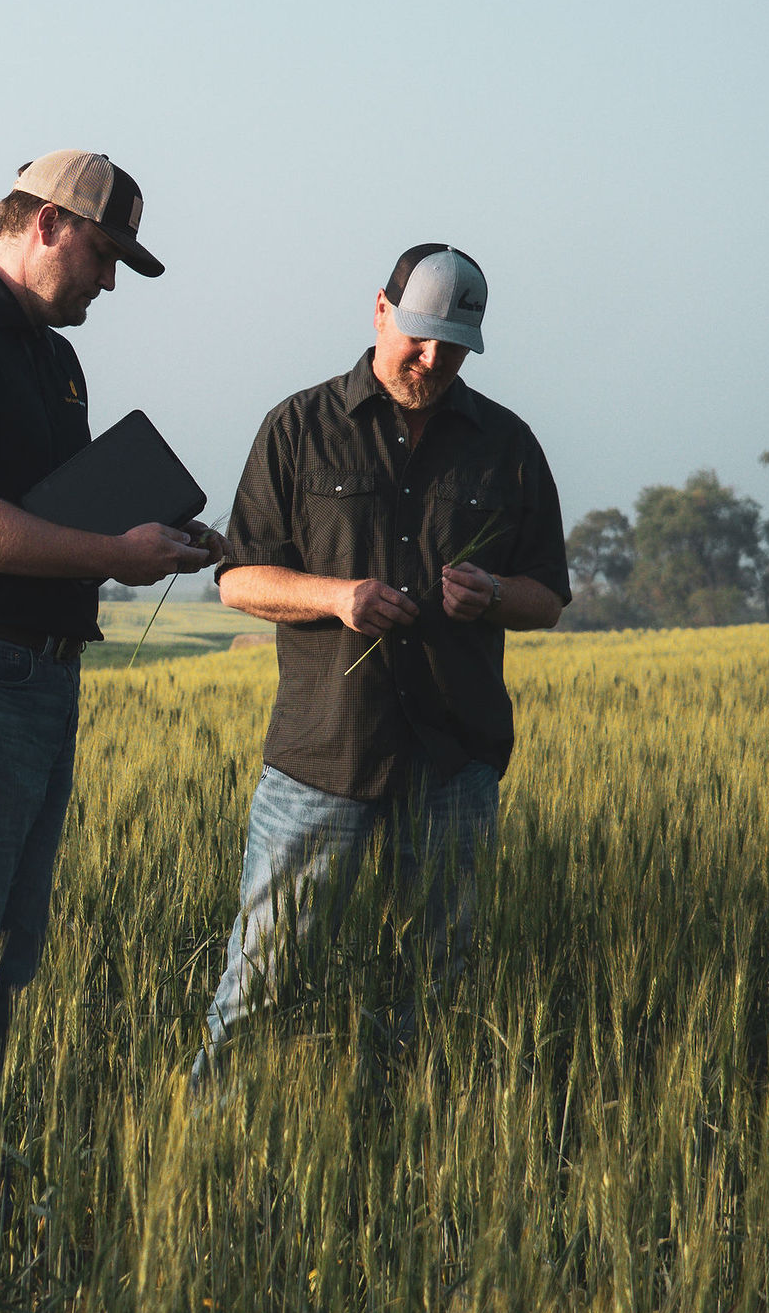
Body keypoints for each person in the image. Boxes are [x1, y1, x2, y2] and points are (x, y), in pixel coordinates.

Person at [0, 150, 215, 1107]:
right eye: (103, 255)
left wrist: (157, 538)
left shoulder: (56, 361)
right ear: (48, 224)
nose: (110, 282)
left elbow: (61, 518)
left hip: (40, 674)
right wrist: (114, 552)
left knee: (5, 954)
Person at [193, 242, 569, 1080]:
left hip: (453, 762)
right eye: (418, 336)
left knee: (433, 991)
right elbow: (238, 579)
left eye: (453, 346)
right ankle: (209, 1130)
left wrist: (493, 594)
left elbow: (546, 596)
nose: (431, 359)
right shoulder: (297, 427)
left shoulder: (507, 445)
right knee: (261, 981)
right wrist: (338, 598)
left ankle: (401, 1137)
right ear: (380, 311)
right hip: (322, 759)